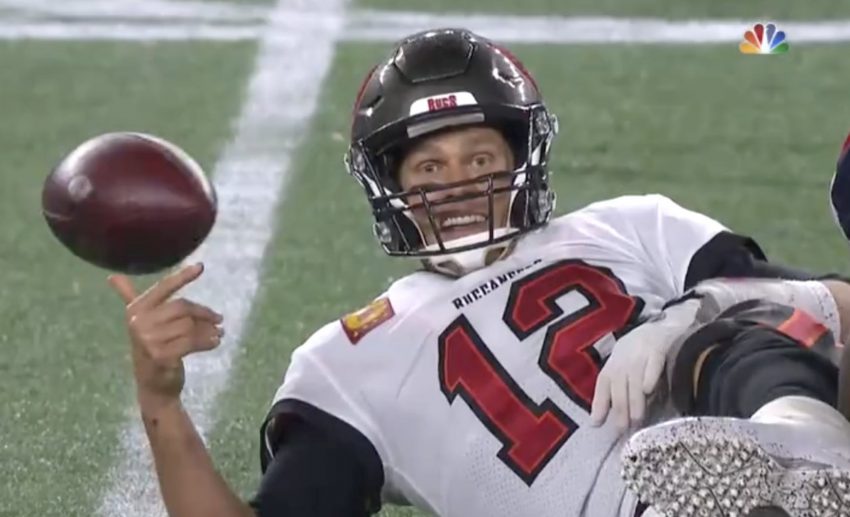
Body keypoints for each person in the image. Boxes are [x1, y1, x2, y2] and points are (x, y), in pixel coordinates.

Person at [108, 28, 850, 517]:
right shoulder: (348, 361)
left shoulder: (630, 225)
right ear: (393, 188)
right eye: (429, 168)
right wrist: (159, 401)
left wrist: (688, 315)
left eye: (480, 159)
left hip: (750, 454)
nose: (458, 184)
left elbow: (828, 305)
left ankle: (811, 460)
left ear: (521, 160)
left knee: (728, 323)